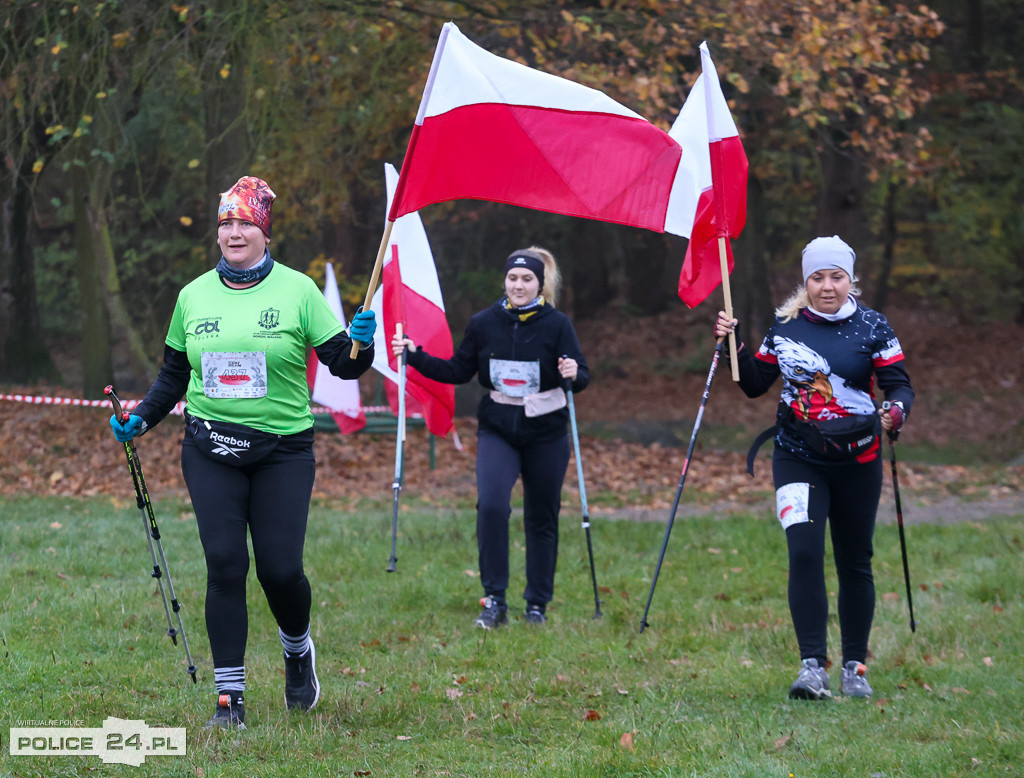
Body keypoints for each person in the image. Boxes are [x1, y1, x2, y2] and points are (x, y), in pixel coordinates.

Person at [108, 176, 377, 729]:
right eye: (226, 223)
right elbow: (174, 375)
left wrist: (362, 341)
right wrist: (142, 417)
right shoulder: (192, 296)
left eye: (244, 223)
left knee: (280, 571)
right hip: (210, 446)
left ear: (264, 232)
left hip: (283, 450)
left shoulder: (298, 292)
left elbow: (344, 365)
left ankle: (297, 648)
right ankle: (229, 698)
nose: (233, 233)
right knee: (226, 563)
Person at [714, 235, 914, 700]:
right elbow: (755, 384)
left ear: (851, 280)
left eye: (836, 277)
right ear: (805, 282)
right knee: (804, 552)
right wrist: (731, 347)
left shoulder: (874, 327)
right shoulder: (785, 327)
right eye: (818, 277)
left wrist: (896, 412)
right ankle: (811, 668)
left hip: (858, 461)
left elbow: (899, 385)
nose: (827, 286)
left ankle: (854, 668)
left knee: (854, 559)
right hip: (797, 457)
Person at [392, 247, 589, 629]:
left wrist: (572, 371)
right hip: (499, 428)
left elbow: (579, 377)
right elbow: (458, 370)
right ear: (505, 281)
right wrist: (415, 356)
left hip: (546, 431)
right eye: (513, 278)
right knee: (493, 508)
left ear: (540, 283)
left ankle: (536, 605)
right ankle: (494, 599)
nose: (519, 285)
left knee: (541, 516)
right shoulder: (484, 323)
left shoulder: (557, 324)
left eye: (527, 279)